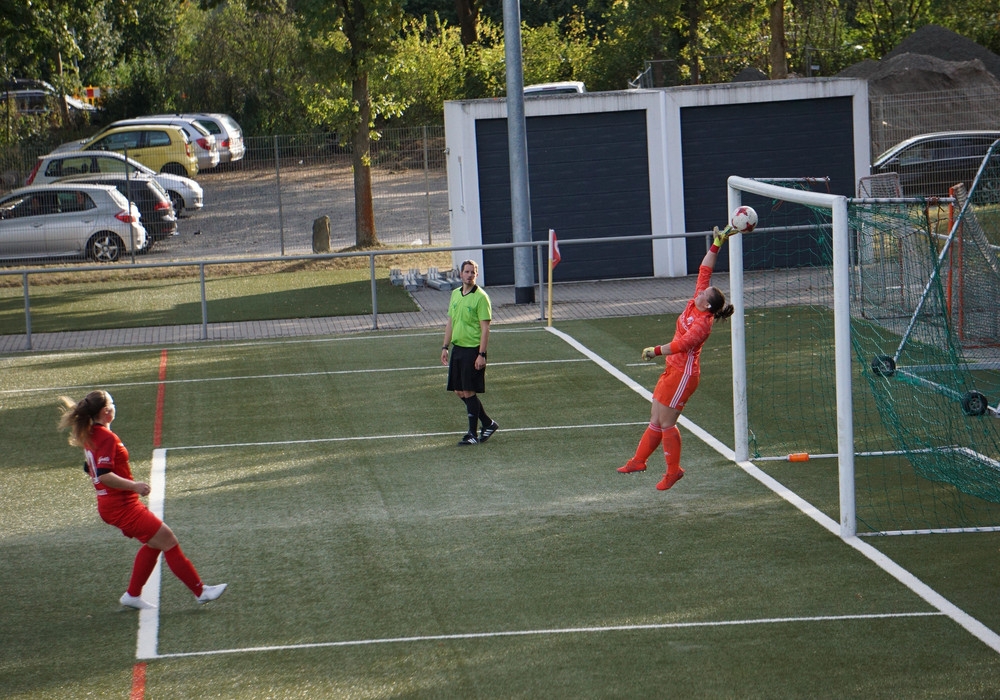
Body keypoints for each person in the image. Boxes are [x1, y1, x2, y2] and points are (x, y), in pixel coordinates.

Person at [58, 390, 227, 609]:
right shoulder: (106, 437)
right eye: (112, 403)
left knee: (155, 543)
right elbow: (104, 474)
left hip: (116, 504)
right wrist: (134, 486)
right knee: (168, 540)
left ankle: (133, 594)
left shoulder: (92, 434)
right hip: (120, 506)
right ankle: (200, 591)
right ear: (106, 411)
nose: (115, 407)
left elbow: (88, 467)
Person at [618, 227, 735, 490]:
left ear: (707, 305)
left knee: (667, 423)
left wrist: (655, 350)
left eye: (703, 294)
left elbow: (682, 345)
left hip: (684, 375)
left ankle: (673, 472)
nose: (699, 292)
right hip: (672, 370)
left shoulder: (703, 324)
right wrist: (716, 244)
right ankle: (638, 461)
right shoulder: (698, 302)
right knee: (655, 418)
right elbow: (705, 270)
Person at [441, 259, 499, 445]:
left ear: (476, 275)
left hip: (472, 349)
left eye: (472, 272)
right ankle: (488, 423)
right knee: (459, 391)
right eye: (466, 272)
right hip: (458, 349)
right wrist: (445, 347)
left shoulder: (481, 297)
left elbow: (485, 328)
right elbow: (450, 322)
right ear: (460, 274)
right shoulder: (455, 294)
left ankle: (472, 434)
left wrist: (481, 354)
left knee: (468, 390)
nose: (469, 275)